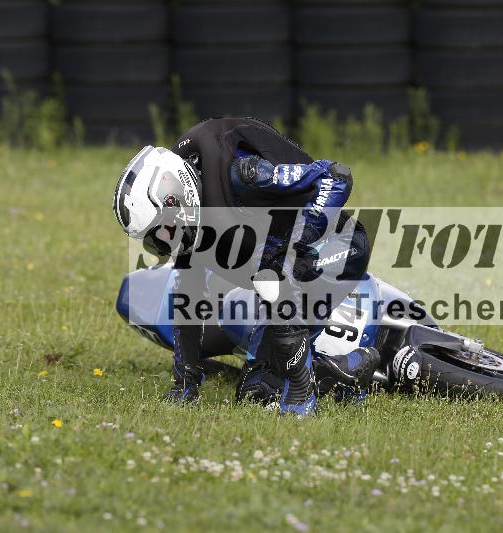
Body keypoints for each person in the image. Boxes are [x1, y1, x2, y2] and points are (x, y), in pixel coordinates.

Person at [112, 117, 379, 416]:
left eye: (163, 230)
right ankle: (347, 371)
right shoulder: (195, 214)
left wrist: (299, 242)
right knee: (257, 392)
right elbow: (189, 299)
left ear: (175, 195)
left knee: (276, 273)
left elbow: (336, 176)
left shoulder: (244, 174)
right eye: (155, 240)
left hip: (339, 248)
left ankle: (302, 396)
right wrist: (185, 383)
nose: (165, 242)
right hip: (286, 269)